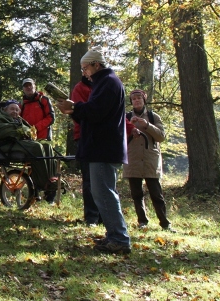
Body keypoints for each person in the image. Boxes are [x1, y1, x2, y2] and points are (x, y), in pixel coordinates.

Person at [57, 48, 131, 255]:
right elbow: (93, 115)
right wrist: (74, 111)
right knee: (102, 193)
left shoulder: (109, 83)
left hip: (103, 147)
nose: (84, 73)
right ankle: (114, 235)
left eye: (85, 68)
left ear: (96, 65)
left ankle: (119, 238)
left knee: (104, 193)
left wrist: (76, 107)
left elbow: (97, 113)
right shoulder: (104, 82)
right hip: (101, 146)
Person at [123, 89, 173, 231]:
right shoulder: (126, 117)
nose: (137, 101)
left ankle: (165, 223)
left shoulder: (153, 117)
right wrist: (130, 128)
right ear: (131, 101)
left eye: (139, 98)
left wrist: (146, 125)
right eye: (134, 99)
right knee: (136, 194)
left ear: (144, 100)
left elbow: (161, 137)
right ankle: (142, 221)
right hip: (132, 160)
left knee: (156, 194)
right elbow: (119, 138)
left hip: (150, 159)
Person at [0, 100, 55, 197]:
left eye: (17, 110)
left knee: (47, 145)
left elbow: (28, 130)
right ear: (6, 109)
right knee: (36, 147)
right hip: (5, 145)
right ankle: (43, 182)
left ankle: (52, 179)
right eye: (12, 109)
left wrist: (24, 131)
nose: (15, 111)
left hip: (18, 143)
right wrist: (21, 131)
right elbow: (2, 131)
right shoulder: (0, 117)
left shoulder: (18, 119)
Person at [20, 77, 57, 203]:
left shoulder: (43, 100)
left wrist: (36, 128)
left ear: (34, 86)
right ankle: (35, 193)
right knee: (32, 165)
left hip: (44, 138)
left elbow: (51, 118)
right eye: (26, 86)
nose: (28, 88)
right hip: (30, 140)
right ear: (23, 89)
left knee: (48, 165)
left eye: (30, 85)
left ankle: (50, 194)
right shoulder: (22, 104)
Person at [71, 75, 101, 226]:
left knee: (102, 178)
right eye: (84, 69)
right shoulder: (80, 88)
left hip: (101, 136)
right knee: (89, 178)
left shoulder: (101, 85)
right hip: (84, 135)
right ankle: (91, 217)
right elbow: (78, 112)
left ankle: (103, 215)